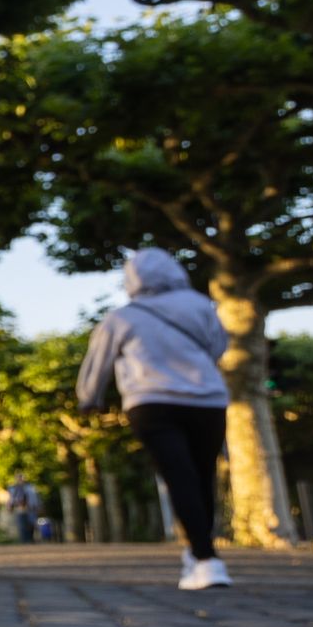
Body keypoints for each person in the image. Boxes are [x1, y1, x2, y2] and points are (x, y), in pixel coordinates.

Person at [76, 247, 231, 590]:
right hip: (207, 400)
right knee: (201, 475)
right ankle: (200, 553)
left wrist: (89, 399)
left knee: (178, 475)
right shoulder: (199, 304)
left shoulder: (122, 317)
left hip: (152, 402)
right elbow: (218, 346)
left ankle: (205, 560)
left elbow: (97, 362)